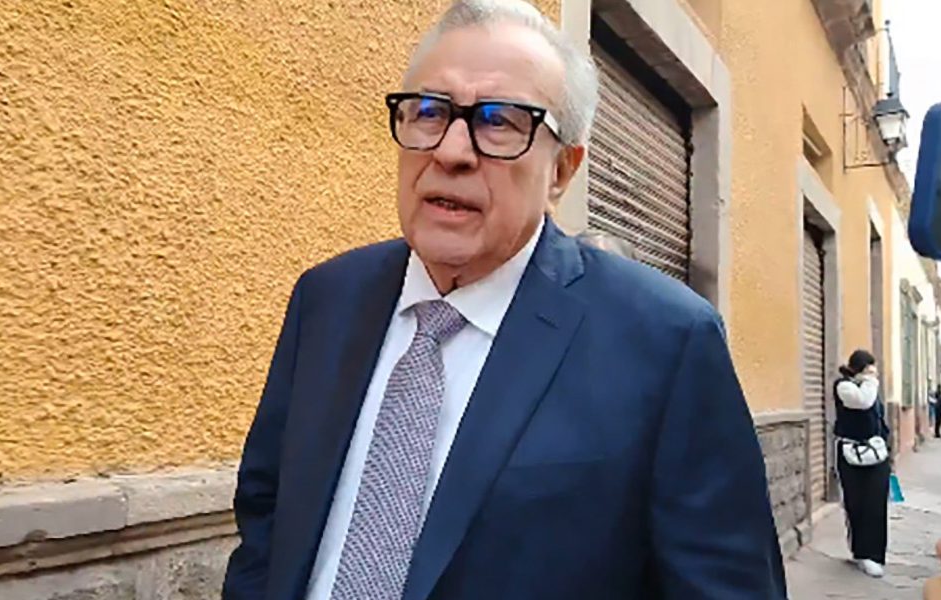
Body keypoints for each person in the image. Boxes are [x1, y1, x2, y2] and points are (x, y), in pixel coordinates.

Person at [222, 1, 786, 599]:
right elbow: (268, 514)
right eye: (429, 111)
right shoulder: (328, 298)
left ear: (562, 171)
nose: (451, 152)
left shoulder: (667, 341)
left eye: (499, 122)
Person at [834, 349, 891, 578]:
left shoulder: (870, 388)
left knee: (876, 503)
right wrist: (869, 381)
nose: (874, 372)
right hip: (851, 453)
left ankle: (874, 555)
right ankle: (860, 552)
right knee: (855, 502)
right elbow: (862, 402)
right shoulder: (844, 386)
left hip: (876, 453)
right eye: (869, 368)